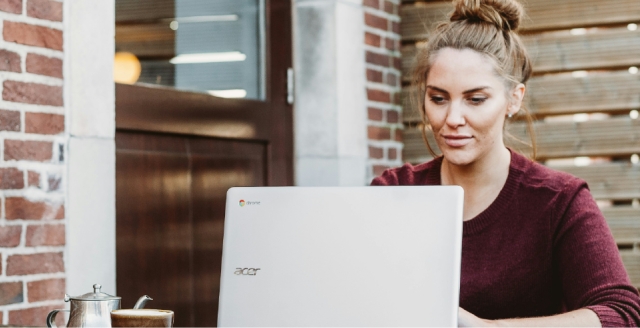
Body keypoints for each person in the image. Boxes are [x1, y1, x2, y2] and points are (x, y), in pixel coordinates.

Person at [371, 0, 640, 326]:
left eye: (476, 99)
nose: (452, 118)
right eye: (438, 98)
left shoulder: (559, 201)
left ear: (514, 98)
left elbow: (622, 313)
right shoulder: (394, 191)